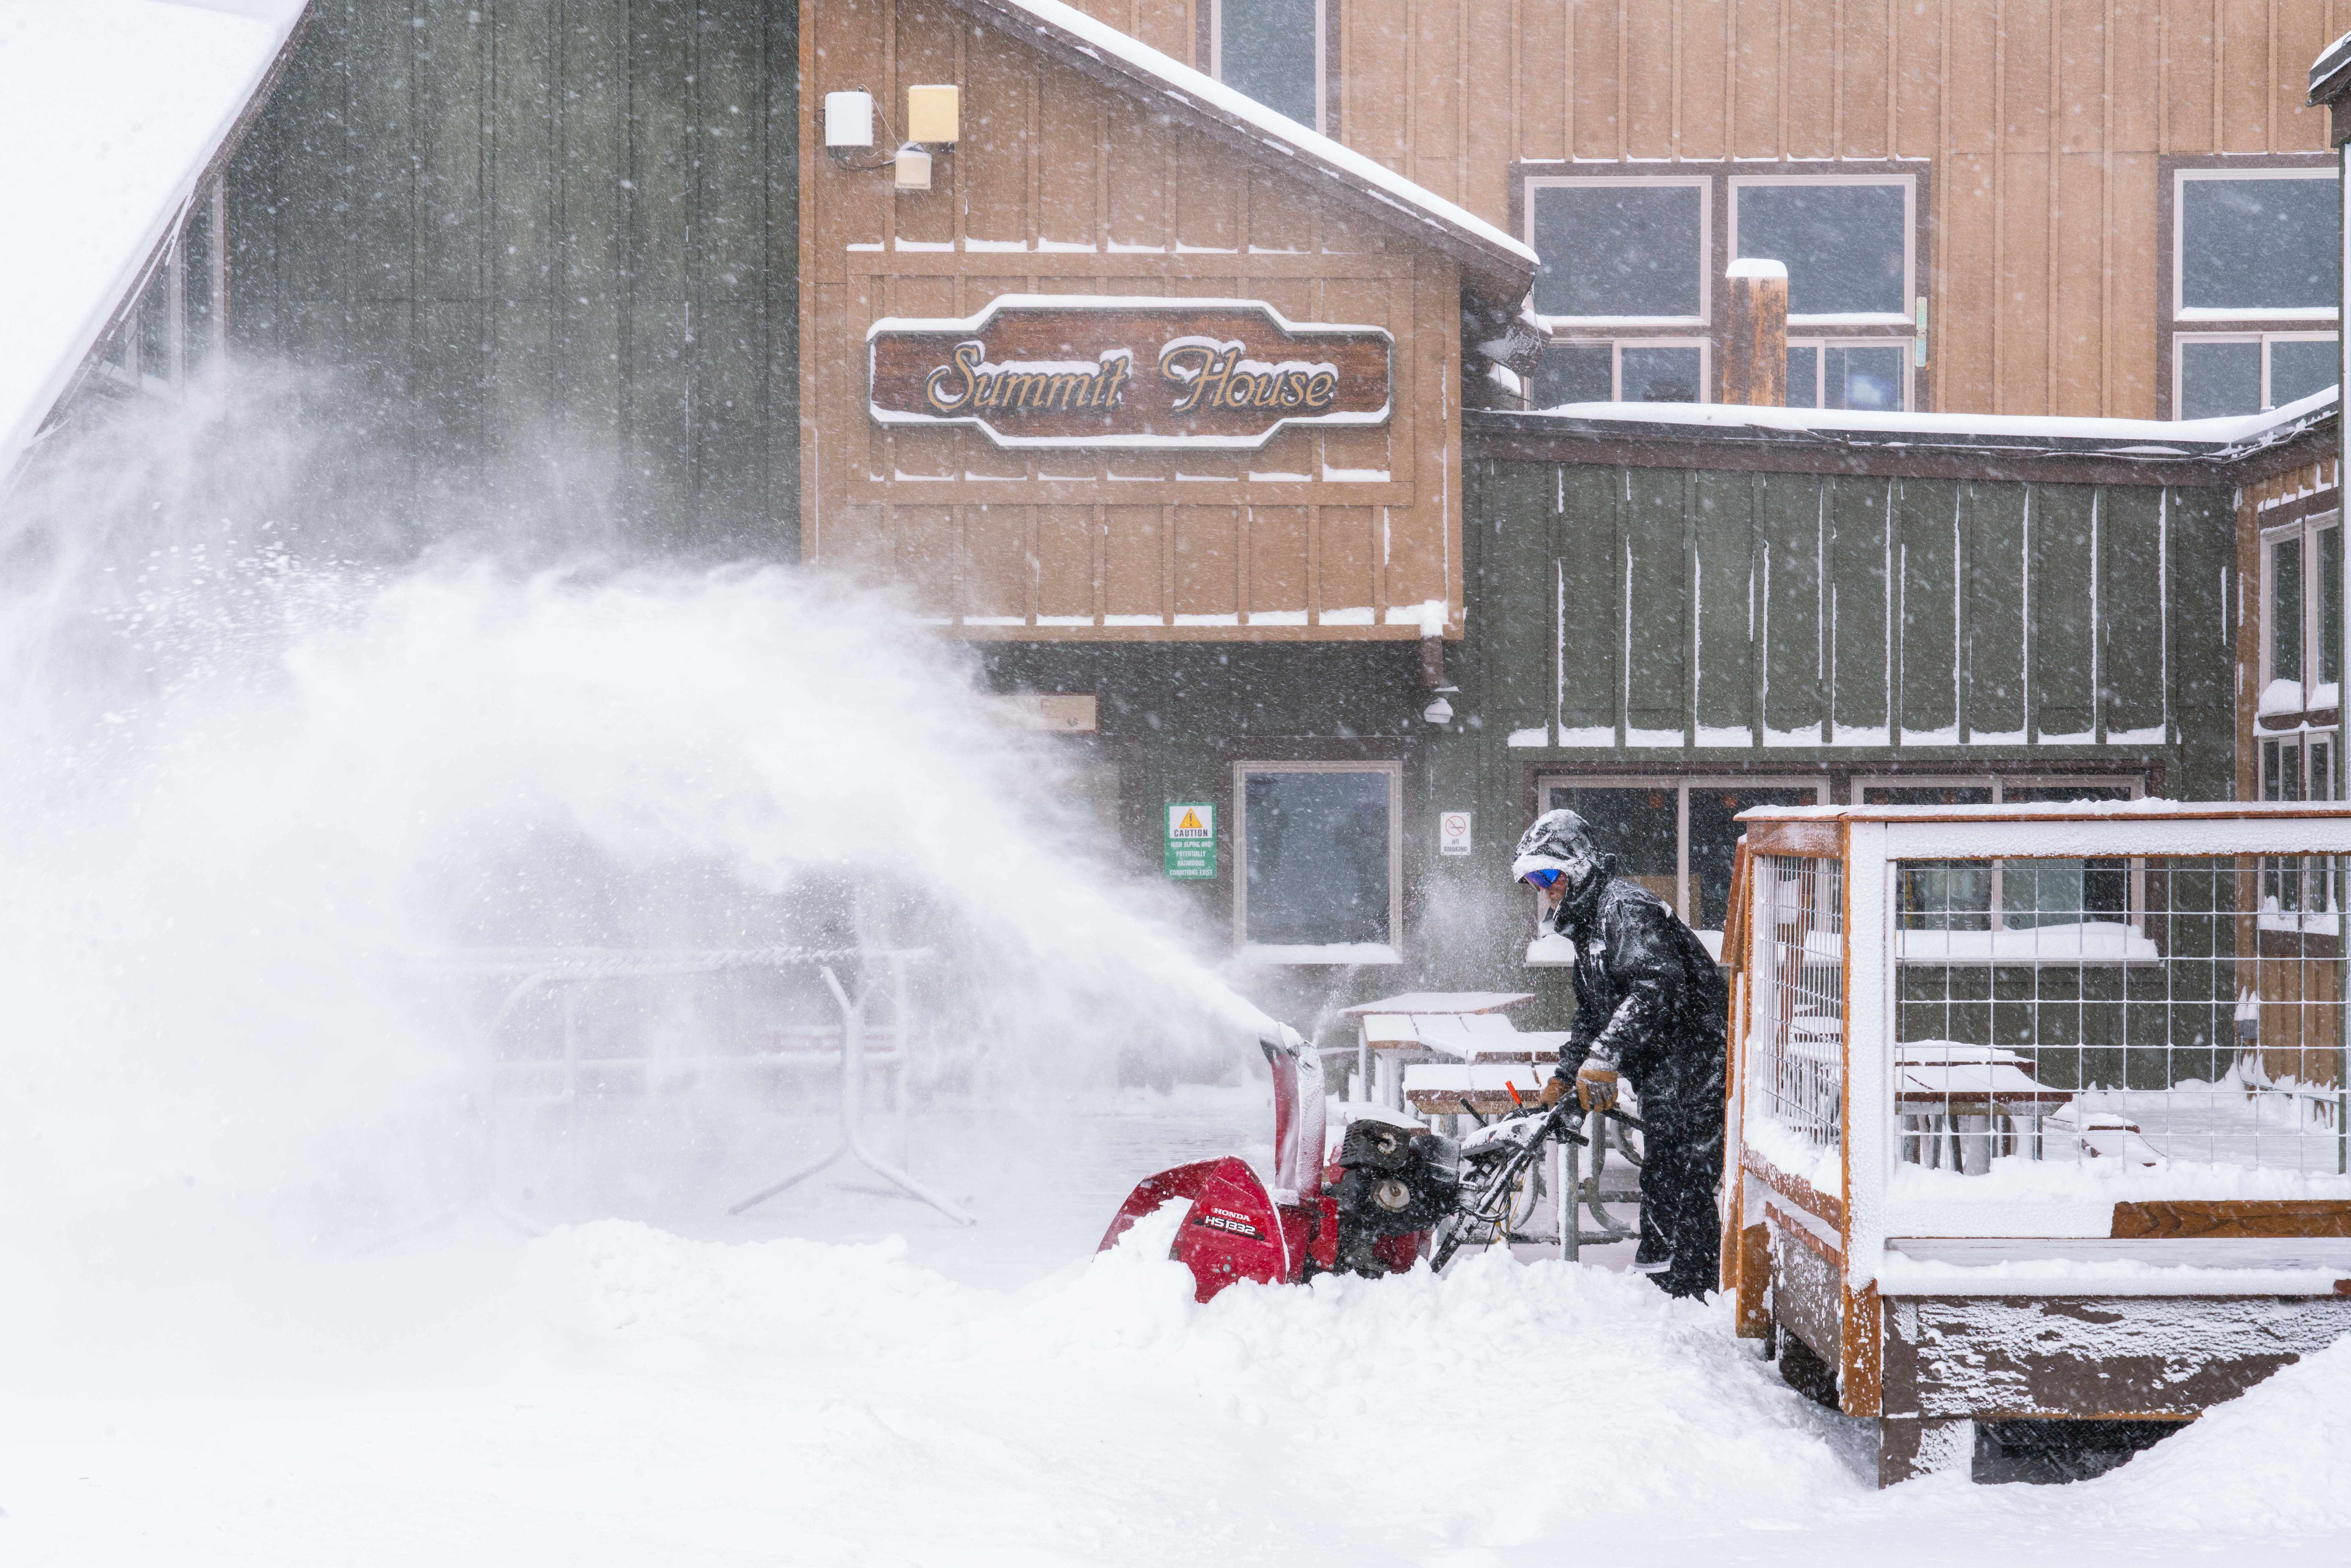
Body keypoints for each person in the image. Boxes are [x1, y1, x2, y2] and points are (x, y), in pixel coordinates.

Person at [1513, 808, 1726, 1299]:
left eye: (1549, 875)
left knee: (1682, 1174)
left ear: (1578, 867)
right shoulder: (1591, 924)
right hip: (1663, 1064)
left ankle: (1684, 1286)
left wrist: (1604, 1057)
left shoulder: (1624, 909)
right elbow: (1593, 1012)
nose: (1545, 889)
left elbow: (1656, 988)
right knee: (1667, 1170)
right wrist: (1567, 1074)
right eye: (1535, 881)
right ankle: (1669, 1279)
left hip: (1695, 1057)